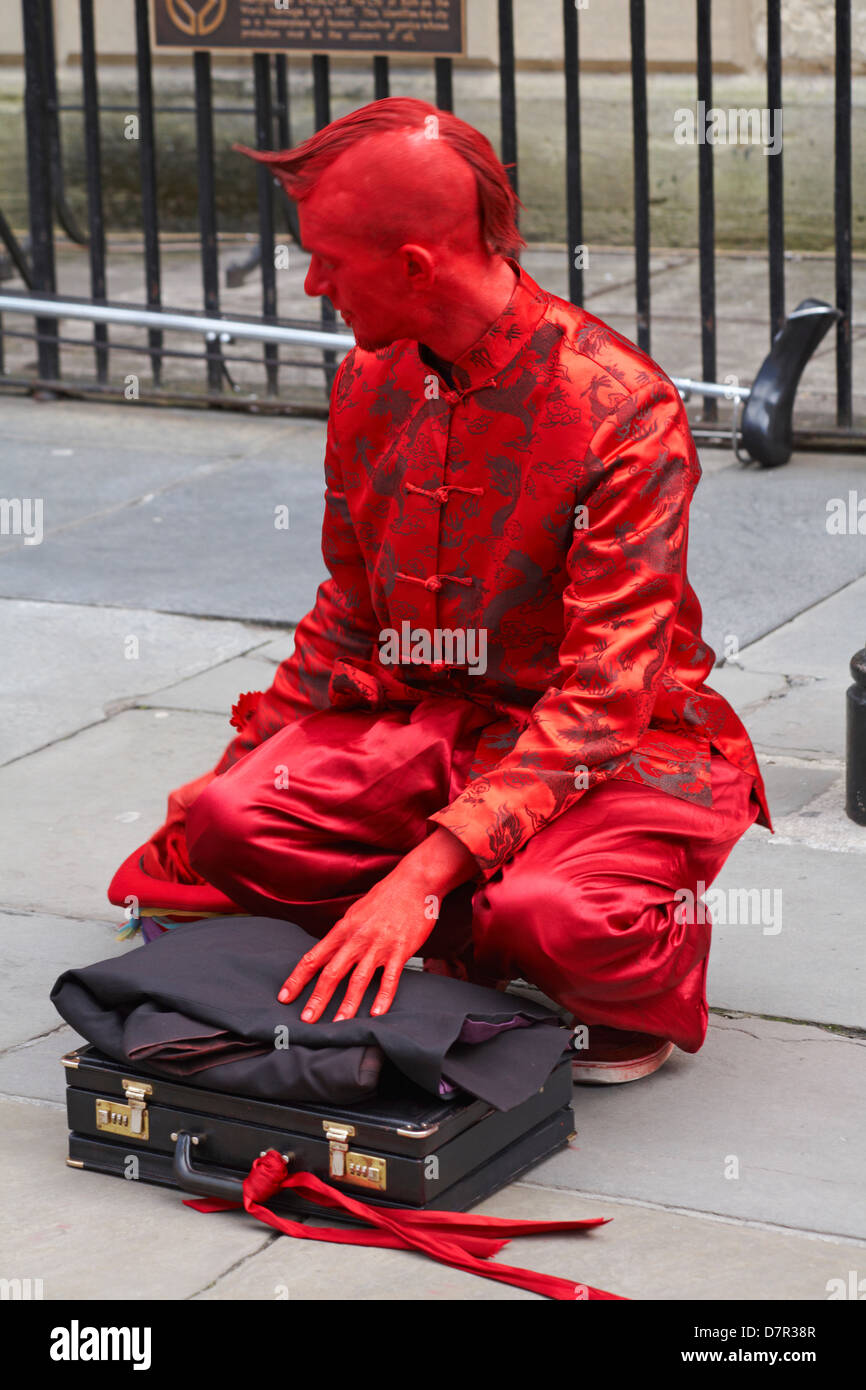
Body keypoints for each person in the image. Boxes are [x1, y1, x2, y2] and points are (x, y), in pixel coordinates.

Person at [109, 97, 773, 1085]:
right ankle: (469, 921)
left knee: (562, 916)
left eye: (327, 259)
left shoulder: (619, 407)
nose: (312, 282)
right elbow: (350, 617)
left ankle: (554, 924)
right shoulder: (370, 382)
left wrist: (418, 875)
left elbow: (599, 703)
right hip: (432, 728)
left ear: (415, 267)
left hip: (616, 748)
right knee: (233, 820)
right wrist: (237, 760)